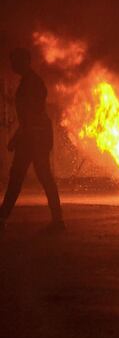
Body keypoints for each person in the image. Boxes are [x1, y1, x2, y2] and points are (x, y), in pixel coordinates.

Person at [1, 48, 64, 232]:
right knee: (22, 177)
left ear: (25, 62)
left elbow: (32, 115)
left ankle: (58, 221)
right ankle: (57, 220)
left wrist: (17, 137)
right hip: (33, 136)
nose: (12, 65)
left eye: (15, 61)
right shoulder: (29, 81)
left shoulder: (32, 83)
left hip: (35, 137)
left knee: (35, 176)